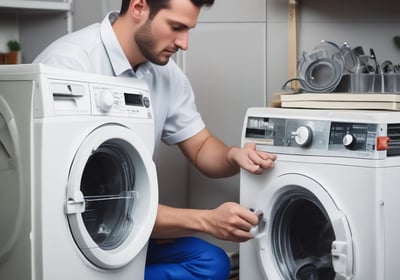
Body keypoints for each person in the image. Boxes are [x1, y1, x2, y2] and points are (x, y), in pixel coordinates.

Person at [34, 0, 277, 279]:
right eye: (176, 27)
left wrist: (234, 156)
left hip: (124, 222)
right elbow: (66, 197)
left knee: (211, 261)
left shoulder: (165, 73)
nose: (184, 43)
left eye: (188, 30)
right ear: (138, 7)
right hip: (69, 228)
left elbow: (200, 147)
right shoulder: (68, 65)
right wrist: (206, 221)